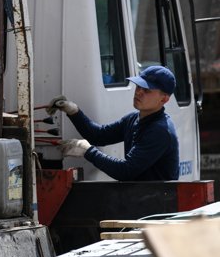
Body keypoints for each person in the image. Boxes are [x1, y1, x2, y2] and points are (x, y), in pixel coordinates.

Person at [47, 65, 179, 181]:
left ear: (164, 99)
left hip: (159, 202)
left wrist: (87, 151)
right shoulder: (133, 119)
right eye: (138, 86)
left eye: (147, 90)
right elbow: (98, 135)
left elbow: (125, 171)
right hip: (141, 198)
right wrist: (73, 111)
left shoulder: (160, 130)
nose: (138, 92)